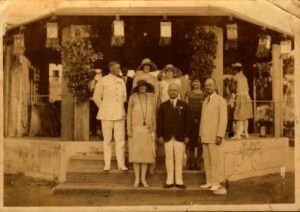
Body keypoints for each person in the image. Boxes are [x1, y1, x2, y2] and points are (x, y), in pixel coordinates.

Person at [93, 61, 128, 171]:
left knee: (120, 140)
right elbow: (96, 97)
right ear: (111, 69)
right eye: (117, 68)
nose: (119, 70)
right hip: (106, 114)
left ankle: (121, 164)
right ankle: (107, 164)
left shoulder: (121, 81)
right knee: (107, 140)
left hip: (119, 113)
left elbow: (124, 97)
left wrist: (117, 106)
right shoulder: (103, 80)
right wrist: (104, 107)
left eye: (119, 68)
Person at [157, 83, 190, 189]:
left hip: (180, 136)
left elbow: (188, 122)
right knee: (169, 158)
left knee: (179, 158)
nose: (173, 92)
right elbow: (159, 122)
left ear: (178, 92)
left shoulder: (184, 105)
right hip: (167, 136)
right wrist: (160, 135)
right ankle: (170, 180)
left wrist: (187, 135)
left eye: (175, 90)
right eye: (171, 90)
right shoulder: (163, 105)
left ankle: (179, 180)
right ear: (167, 92)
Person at [199, 78, 228, 195]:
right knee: (207, 160)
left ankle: (217, 182)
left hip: (215, 136)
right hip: (205, 136)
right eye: (206, 86)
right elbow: (203, 119)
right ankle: (209, 181)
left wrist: (220, 135)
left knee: (216, 160)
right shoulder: (205, 101)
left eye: (210, 85)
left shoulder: (221, 101)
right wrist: (200, 134)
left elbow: (223, 120)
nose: (208, 87)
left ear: (215, 86)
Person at [127, 80, 156, 188]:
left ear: (147, 87)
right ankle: (136, 179)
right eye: (140, 86)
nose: (143, 88)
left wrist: (154, 129)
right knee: (136, 155)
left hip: (147, 130)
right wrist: (128, 129)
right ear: (138, 88)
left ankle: (143, 179)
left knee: (145, 155)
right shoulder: (133, 97)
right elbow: (129, 114)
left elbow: (153, 114)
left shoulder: (151, 97)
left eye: (144, 86)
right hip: (135, 129)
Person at [186, 77, 206, 170]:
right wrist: (192, 118)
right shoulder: (188, 94)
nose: (196, 83)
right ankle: (192, 161)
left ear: (200, 83)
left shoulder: (204, 94)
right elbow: (186, 107)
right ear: (192, 84)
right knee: (191, 142)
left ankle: (198, 162)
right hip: (190, 121)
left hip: (201, 121)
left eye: (198, 81)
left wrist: (199, 118)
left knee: (199, 142)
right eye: (194, 82)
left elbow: (206, 109)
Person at [231, 63, 253, 139]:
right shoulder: (244, 77)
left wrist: (232, 99)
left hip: (240, 96)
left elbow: (233, 89)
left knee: (238, 114)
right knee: (245, 116)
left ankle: (238, 134)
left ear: (235, 70)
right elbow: (247, 89)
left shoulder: (235, 77)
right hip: (247, 97)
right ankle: (246, 133)